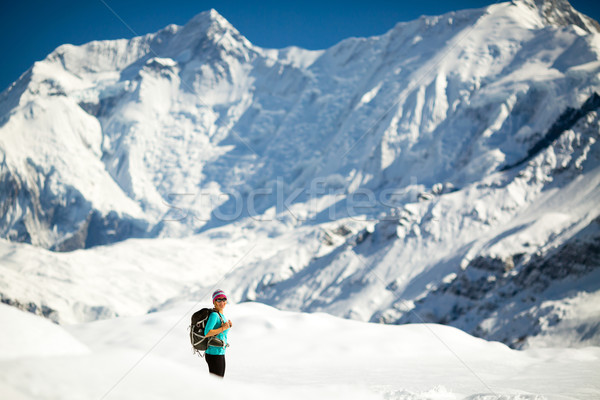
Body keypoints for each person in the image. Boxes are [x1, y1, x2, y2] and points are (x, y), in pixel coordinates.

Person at [203, 289, 232, 377]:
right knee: (216, 382)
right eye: (218, 300)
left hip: (219, 352)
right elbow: (207, 332)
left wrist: (228, 326)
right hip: (213, 353)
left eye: (224, 299)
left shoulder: (220, 315)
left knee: (218, 381)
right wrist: (224, 327)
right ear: (214, 302)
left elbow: (220, 332)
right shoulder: (214, 315)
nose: (221, 302)